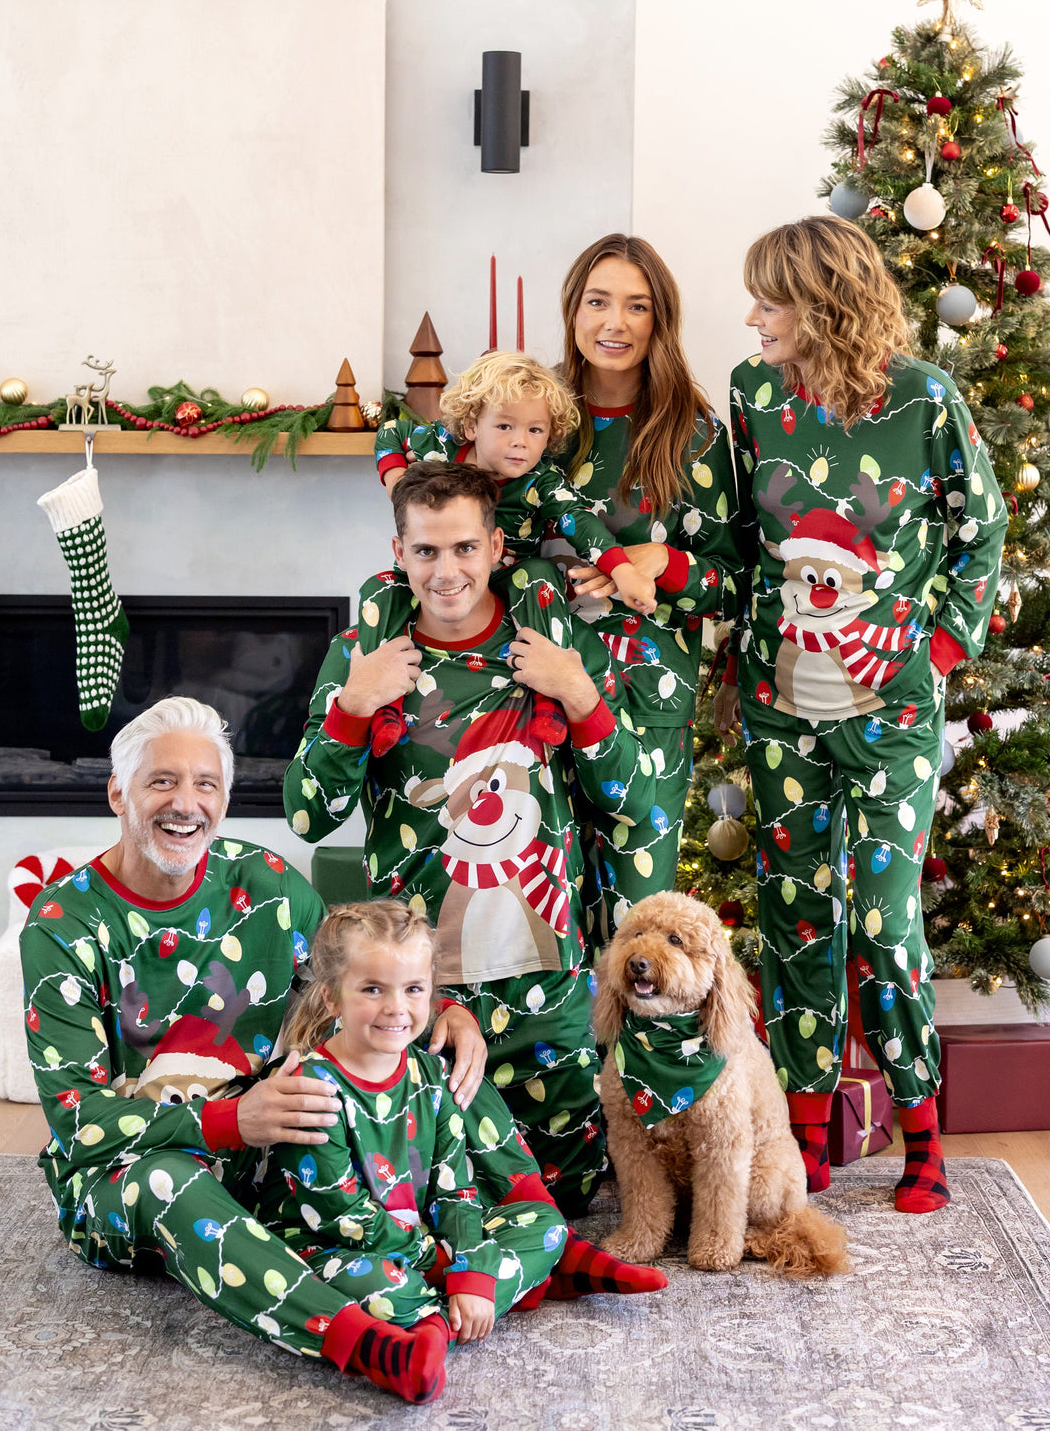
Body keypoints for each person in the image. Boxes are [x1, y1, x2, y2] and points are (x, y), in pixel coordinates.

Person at [19, 696, 483, 1404]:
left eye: (206, 784)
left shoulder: (262, 882)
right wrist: (230, 1122)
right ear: (118, 792)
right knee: (168, 1182)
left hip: (270, 1152)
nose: (187, 803)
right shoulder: (62, 926)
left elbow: (356, 967)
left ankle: (511, 1248)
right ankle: (358, 1339)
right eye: (162, 781)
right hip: (130, 1177)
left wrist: (445, 1010)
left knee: (427, 1064)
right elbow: (77, 1122)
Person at [714, 215, 1008, 1213]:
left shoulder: (925, 400)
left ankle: (921, 1128)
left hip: (892, 713)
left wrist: (940, 644)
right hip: (780, 701)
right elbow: (737, 541)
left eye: (772, 299)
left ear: (824, 303)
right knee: (797, 916)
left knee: (883, 923)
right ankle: (805, 1135)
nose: (754, 316)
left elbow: (983, 525)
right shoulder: (754, 393)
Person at [284, 462, 660, 1216]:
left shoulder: (549, 644)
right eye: (426, 552)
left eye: (462, 548)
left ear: (495, 547)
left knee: (571, 1192)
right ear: (399, 553)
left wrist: (578, 692)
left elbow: (636, 804)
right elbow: (307, 816)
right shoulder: (364, 656)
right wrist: (355, 705)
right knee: (420, 1190)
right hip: (417, 984)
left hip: (542, 974)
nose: (446, 570)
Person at [256, 900, 567, 1399]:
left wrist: (466, 1260)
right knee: (373, 1287)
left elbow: (456, 1190)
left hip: (417, 1243)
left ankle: (438, 1317)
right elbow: (341, 1216)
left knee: (547, 1227)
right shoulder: (309, 1088)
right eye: (373, 989)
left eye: (413, 989)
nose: (397, 1008)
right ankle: (456, 1312)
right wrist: (452, 1268)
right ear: (333, 997)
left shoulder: (428, 1074)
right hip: (331, 1249)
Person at [545, 233, 744, 934]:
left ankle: (637, 1050)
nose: (615, 323)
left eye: (637, 306)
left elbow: (738, 582)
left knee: (637, 930)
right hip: (535, 699)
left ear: (660, 321)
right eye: (598, 302)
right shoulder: (539, 422)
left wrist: (667, 564)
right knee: (545, 913)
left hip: (647, 707)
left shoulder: (695, 435)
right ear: (573, 312)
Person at [370, 349, 657, 756]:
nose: (520, 442)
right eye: (505, 426)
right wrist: (399, 485)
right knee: (380, 588)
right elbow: (390, 434)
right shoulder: (438, 448)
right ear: (471, 425)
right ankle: (387, 709)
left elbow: (580, 521)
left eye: (536, 431)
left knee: (540, 571)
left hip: (506, 583)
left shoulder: (539, 480)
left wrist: (624, 571)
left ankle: (547, 704)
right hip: (441, 579)